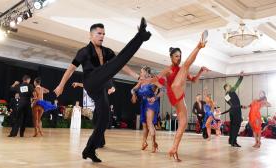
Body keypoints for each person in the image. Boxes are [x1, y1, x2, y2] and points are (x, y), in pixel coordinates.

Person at [54, 18, 151, 162]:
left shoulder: (107, 51)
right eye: (99, 33)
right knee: (112, 65)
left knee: (105, 119)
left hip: (101, 87)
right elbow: (70, 69)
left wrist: (137, 76)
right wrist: (61, 85)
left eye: (104, 34)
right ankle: (140, 36)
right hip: (91, 81)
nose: (102, 36)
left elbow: (122, 63)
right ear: (91, 35)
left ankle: (89, 150)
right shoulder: (84, 52)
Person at [147, 31, 209, 161]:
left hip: (178, 97)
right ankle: (199, 45)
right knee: (185, 66)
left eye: (180, 56)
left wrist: (200, 71)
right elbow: (156, 79)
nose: (178, 58)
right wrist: (148, 81)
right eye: (176, 56)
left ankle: (174, 149)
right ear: (171, 57)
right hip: (174, 91)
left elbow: (193, 80)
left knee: (182, 125)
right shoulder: (169, 69)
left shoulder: (181, 71)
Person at [131, 66, 160, 153]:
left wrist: (155, 97)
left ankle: (153, 144)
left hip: (151, 103)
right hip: (143, 103)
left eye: (141, 72)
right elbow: (133, 89)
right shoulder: (141, 81)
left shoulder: (152, 80)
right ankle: (144, 143)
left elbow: (163, 89)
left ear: (146, 72)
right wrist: (133, 94)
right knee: (144, 126)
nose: (140, 73)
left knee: (150, 124)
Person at [222, 71, 244, 147]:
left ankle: (231, 141)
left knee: (233, 126)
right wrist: (241, 77)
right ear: (226, 88)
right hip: (236, 111)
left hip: (232, 111)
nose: (230, 86)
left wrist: (240, 106)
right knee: (236, 126)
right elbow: (237, 84)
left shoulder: (226, 96)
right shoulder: (231, 91)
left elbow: (232, 104)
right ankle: (234, 142)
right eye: (228, 86)